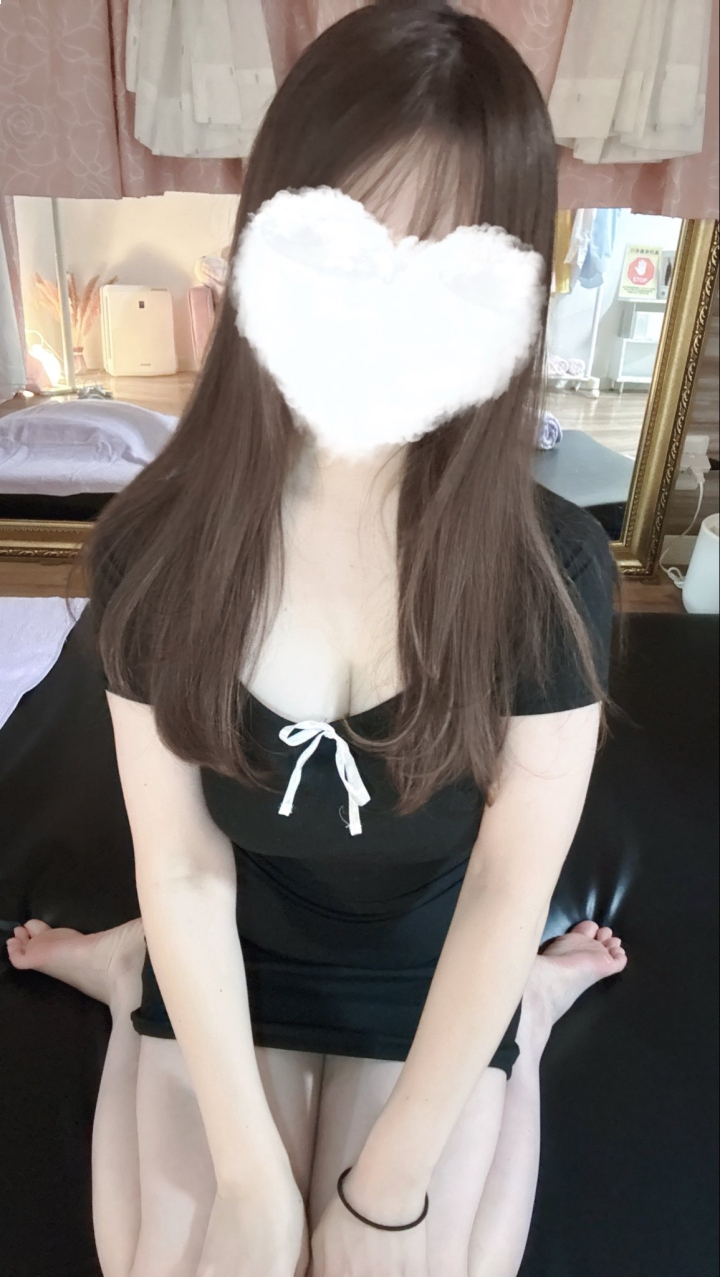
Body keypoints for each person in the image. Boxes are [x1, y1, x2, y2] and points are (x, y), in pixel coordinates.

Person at [7, 3, 628, 1276]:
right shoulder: (154, 548)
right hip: (233, 932)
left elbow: (508, 881)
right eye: (347, 252)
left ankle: (535, 995)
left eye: (444, 264)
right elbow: (183, 864)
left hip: (435, 949)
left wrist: (385, 1190)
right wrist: (251, 1183)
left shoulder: (549, 569)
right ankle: (130, 975)